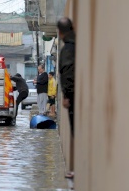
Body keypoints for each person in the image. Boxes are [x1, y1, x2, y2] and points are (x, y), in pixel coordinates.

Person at [57, 17, 76, 180]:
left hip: (73, 97)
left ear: (59, 32)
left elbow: (67, 72)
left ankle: (75, 170)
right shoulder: (76, 43)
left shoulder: (68, 49)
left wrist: (67, 95)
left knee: (75, 130)